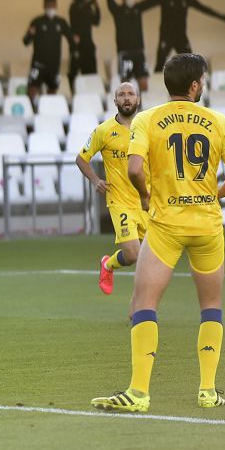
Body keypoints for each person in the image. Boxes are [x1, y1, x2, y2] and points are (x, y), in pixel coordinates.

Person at [91, 54, 225, 414]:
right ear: (195, 86)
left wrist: (148, 196)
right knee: (211, 307)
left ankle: (139, 392)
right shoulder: (218, 121)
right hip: (207, 226)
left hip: (166, 226)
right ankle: (207, 391)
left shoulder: (147, 119)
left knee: (143, 304)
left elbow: (133, 169)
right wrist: (211, 194)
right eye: (202, 81)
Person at [75, 83, 147, 295]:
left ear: (138, 99)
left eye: (131, 94)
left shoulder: (148, 128)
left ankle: (140, 305)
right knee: (133, 255)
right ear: (115, 101)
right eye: (121, 95)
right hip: (120, 201)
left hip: (146, 201)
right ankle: (108, 265)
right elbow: (81, 158)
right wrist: (96, 179)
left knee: (149, 259)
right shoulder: (103, 131)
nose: (126, 98)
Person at [154, 0, 225, 72]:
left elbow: (204, 8)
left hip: (181, 35)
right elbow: (152, 0)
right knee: (160, 63)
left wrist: (224, 17)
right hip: (166, 36)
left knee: (190, 62)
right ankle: (156, 85)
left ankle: (189, 86)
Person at [107, 0, 160, 90]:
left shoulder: (138, 8)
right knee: (125, 83)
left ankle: (144, 106)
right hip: (124, 53)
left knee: (143, 82)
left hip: (139, 51)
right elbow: (109, 0)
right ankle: (126, 108)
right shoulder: (118, 11)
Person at [23, 0, 72, 99]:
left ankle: (49, 111)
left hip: (54, 64)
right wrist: (30, 33)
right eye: (48, 5)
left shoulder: (61, 22)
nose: (51, 8)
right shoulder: (37, 21)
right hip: (38, 63)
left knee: (52, 89)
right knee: (32, 88)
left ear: (56, 6)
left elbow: (71, 38)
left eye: (53, 5)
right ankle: (32, 108)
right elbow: (26, 41)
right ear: (44, 6)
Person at [68, 0, 102, 89]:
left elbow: (96, 21)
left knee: (91, 71)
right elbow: (80, 10)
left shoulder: (88, 7)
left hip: (88, 44)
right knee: (74, 72)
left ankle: (91, 91)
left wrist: (97, 7)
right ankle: (74, 92)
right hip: (77, 46)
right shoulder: (74, 7)